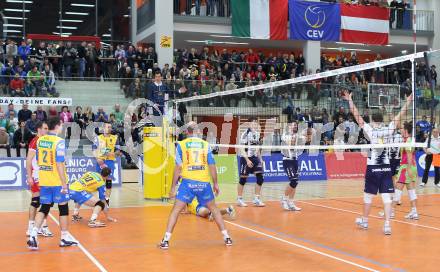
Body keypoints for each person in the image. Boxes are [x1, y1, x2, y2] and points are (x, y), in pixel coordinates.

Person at [343, 91, 412, 235]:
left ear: (373, 120)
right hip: (386, 168)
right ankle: (387, 225)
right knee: (386, 197)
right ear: (382, 119)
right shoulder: (389, 129)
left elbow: (356, 116)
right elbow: (401, 114)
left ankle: (365, 220)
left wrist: (350, 100)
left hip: (373, 167)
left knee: (368, 196)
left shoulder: (370, 130)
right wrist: (408, 102)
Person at [158, 122, 232, 249]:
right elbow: (212, 165)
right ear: (197, 131)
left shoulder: (181, 145)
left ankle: (165, 241)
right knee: (214, 209)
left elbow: (178, 168)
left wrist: (172, 187)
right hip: (204, 182)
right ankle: (227, 238)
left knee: (175, 211)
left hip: (188, 183)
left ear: (187, 132)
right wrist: (215, 183)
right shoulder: (205, 145)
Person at [27, 117, 77, 250]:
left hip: (44, 180)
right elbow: (59, 163)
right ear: (57, 126)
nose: (62, 128)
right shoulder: (59, 142)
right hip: (56, 181)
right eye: (61, 125)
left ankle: (33, 235)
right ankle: (64, 237)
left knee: (44, 207)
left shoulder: (40, 140)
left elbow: (38, 159)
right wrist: (64, 183)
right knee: (63, 208)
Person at [25, 121, 52, 237]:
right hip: (38, 176)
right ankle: (41, 227)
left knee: (38, 201)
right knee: (42, 201)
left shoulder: (44, 141)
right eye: (45, 128)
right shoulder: (35, 141)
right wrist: (29, 176)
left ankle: (32, 227)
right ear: (39, 129)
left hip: (42, 175)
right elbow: (28, 160)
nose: (47, 130)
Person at [392, 122, 419, 220]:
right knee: (411, 191)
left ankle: (391, 211)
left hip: (406, 167)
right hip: (411, 167)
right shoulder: (409, 139)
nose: (400, 130)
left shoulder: (408, 141)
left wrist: (408, 169)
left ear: (406, 130)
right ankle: (414, 212)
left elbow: (409, 155)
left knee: (398, 189)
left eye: (402, 128)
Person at [237, 117, 265, 207]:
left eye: (256, 123)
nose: (255, 125)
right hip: (245, 158)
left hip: (255, 158)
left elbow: (257, 147)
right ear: (249, 124)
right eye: (253, 123)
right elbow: (242, 149)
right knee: (243, 180)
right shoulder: (245, 134)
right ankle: (239, 199)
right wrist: (247, 160)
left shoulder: (257, 134)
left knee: (260, 178)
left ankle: (256, 199)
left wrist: (260, 159)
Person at [93, 122, 119, 207]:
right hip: (100, 161)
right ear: (103, 128)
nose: (110, 128)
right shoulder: (97, 138)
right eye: (108, 127)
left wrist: (113, 154)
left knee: (108, 180)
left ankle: (107, 199)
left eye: (110, 127)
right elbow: (94, 150)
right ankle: (101, 199)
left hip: (110, 162)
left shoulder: (115, 138)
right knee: (100, 180)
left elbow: (118, 152)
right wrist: (98, 159)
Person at [281, 122, 302, 211]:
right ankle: (284, 199)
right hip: (287, 160)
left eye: (296, 126)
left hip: (295, 160)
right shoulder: (285, 135)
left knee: (295, 182)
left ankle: (291, 202)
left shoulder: (298, 135)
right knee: (293, 180)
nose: (295, 127)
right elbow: (290, 144)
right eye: (294, 125)